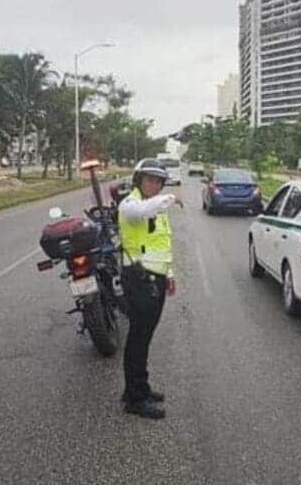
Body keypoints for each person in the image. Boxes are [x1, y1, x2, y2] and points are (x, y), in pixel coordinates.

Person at [117, 158, 183, 420]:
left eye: (158, 181)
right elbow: (138, 213)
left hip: (154, 278)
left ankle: (138, 388)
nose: (154, 184)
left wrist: (169, 273)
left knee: (143, 337)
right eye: (150, 179)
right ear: (138, 180)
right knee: (138, 338)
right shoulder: (130, 204)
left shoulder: (155, 207)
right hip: (139, 278)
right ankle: (135, 399)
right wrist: (170, 198)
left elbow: (161, 243)